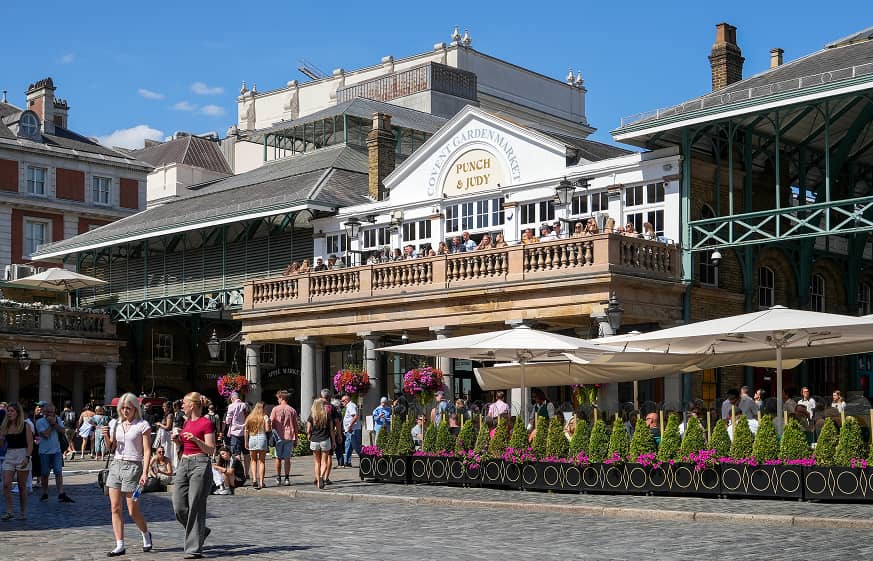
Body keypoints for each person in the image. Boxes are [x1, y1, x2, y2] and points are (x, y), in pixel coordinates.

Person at [103, 393, 152, 557]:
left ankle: (145, 533)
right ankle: (120, 544)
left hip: (133, 467)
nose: (125, 411)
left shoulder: (142, 425)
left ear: (135, 408)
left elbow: (147, 450)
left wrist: (145, 472)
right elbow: (111, 447)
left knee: (132, 510)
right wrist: (105, 436)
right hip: (116, 465)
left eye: (128, 408)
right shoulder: (116, 423)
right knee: (115, 507)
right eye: (122, 408)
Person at [172, 392, 216, 560]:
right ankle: (200, 531)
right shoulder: (187, 423)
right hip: (184, 463)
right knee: (178, 506)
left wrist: (196, 440)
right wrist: (177, 441)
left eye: (184, 403)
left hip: (200, 464)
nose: (182, 405)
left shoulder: (206, 423)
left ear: (192, 405)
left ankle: (193, 550)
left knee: (195, 506)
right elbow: (184, 446)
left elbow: (211, 450)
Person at [35, 403, 74, 504]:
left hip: (56, 450)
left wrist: (54, 423)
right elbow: (46, 435)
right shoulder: (39, 422)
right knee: (45, 473)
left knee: (58, 471)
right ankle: (45, 492)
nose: (50, 414)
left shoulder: (58, 419)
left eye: (51, 412)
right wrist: (52, 424)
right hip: (44, 452)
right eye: (47, 412)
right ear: (44, 412)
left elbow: (62, 431)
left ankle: (61, 493)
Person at [1, 403, 33, 521]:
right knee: (6, 484)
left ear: (18, 413)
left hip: (22, 453)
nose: (9, 413)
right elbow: (1, 445)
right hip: (9, 454)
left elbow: (30, 444)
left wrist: (27, 457)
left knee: (21, 485)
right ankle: (9, 511)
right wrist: (1, 437)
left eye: (12, 411)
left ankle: (22, 511)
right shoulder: (5, 426)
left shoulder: (25, 426)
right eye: (8, 411)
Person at [269, 390, 299, 487]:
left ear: (281, 398)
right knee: (287, 458)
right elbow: (296, 426)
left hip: (278, 436)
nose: (277, 400)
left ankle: (278, 477)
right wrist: (296, 439)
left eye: (278, 398)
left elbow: (270, 422)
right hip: (289, 436)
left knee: (278, 458)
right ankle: (287, 478)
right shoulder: (292, 410)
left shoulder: (275, 409)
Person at [307, 398, 335, 489]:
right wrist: (334, 441)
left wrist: (309, 436)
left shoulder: (312, 416)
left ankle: (319, 481)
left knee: (317, 462)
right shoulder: (327, 415)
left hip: (314, 440)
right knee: (324, 461)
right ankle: (322, 476)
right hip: (325, 440)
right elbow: (331, 430)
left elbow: (308, 430)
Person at [244, 402, 270, 489]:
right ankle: (262, 482)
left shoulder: (250, 417)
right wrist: (269, 423)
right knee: (262, 461)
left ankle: (254, 479)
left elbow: (246, 431)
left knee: (253, 460)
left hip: (252, 439)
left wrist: (246, 441)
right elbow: (267, 429)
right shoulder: (265, 417)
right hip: (262, 438)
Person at [224, 392, 248, 479]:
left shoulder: (231, 406)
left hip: (235, 432)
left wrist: (227, 421)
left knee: (236, 454)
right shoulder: (245, 405)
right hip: (245, 432)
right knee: (246, 454)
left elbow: (228, 420)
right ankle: (247, 473)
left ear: (232, 398)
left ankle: (239, 473)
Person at [341, 394, 362, 468]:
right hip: (350, 430)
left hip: (353, 429)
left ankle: (364, 459)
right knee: (348, 446)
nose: (342, 403)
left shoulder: (350, 406)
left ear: (346, 400)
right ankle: (347, 462)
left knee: (356, 446)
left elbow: (355, 416)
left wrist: (350, 426)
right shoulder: (349, 406)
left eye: (342, 401)